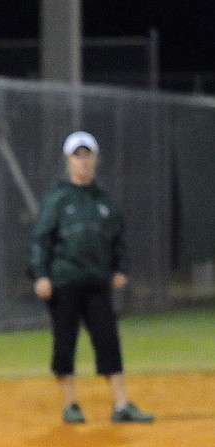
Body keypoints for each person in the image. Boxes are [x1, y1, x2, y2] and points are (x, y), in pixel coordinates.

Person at [29, 130, 154, 424]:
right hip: (64, 281)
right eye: (77, 156)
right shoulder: (57, 198)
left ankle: (121, 405)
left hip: (97, 281)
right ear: (68, 160)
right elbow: (41, 239)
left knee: (108, 339)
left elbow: (118, 239)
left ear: (96, 159)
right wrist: (40, 274)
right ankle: (70, 405)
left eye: (88, 156)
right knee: (65, 341)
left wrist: (121, 268)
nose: (83, 162)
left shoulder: (104, 200)